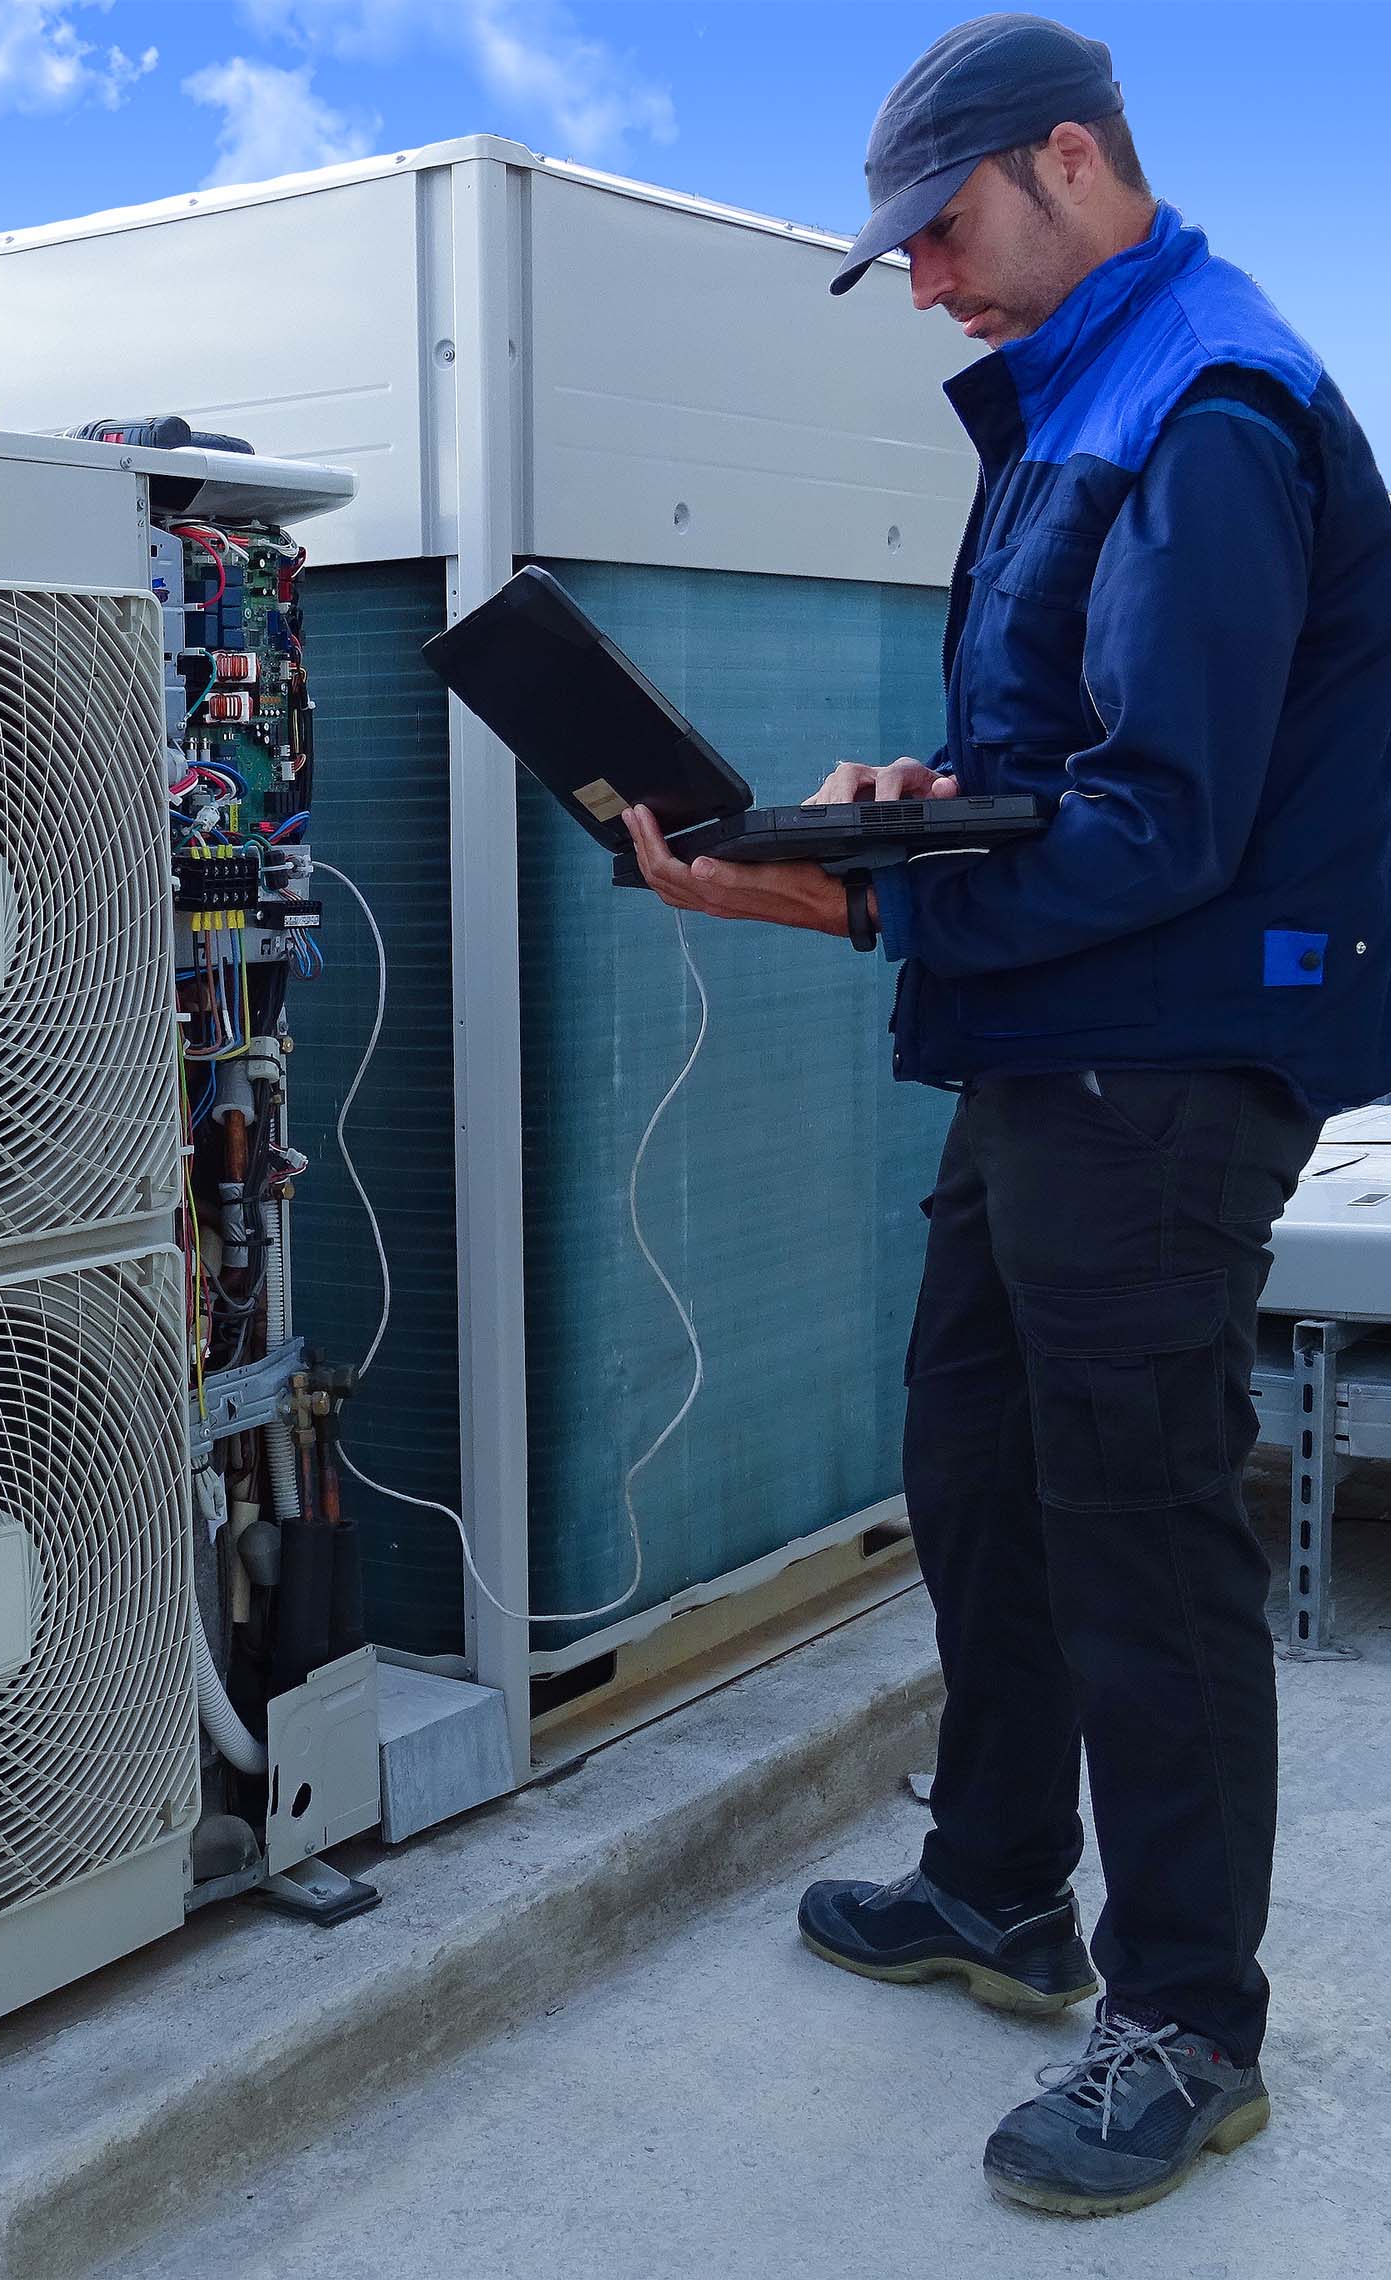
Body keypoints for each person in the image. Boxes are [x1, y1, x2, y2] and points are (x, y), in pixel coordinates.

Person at [622, 9, 1391, 2221]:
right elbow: (1082, 753)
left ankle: (1187, 2018)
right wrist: (918, 807)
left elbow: (1165, 828)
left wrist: (838, 906)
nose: (929, 284)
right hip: (1054, 1042)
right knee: (976, 1465)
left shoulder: (1209, 406)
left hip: (1158, 1060)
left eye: (942, 232)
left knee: (1133, 1514)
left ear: (1071, 161)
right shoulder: (1093, 394)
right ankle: (997, 1887)